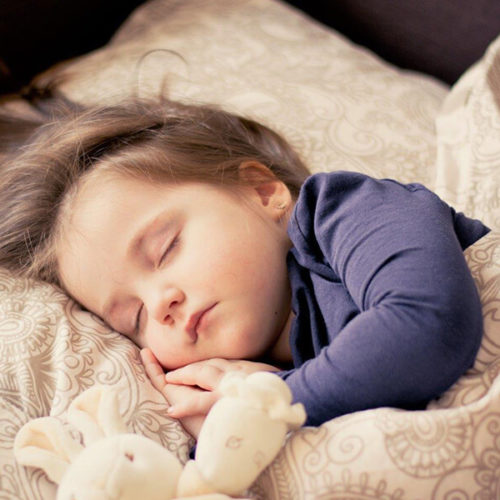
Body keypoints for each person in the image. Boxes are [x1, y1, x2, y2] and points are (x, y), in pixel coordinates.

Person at [0, 95, 489, 439]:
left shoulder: (345, 210)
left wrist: (260, 403)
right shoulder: (258, 370)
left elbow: (427, 324)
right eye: (134, 319)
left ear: (262, 191)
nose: (160, 303)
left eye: (166, 248)